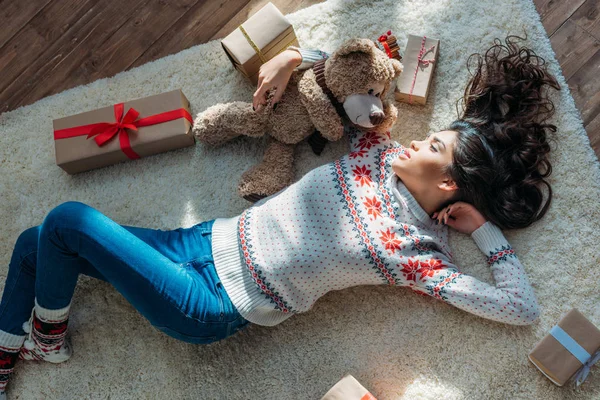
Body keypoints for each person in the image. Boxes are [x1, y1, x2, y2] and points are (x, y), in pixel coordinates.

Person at [0, 34, 559, 398]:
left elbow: (520, 308)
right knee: (35, 242)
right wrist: (293, 58)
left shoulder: (415, 256)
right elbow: (346, 72)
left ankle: (46, 337)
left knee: (69, 221)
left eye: (432, 145)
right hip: (197, 242)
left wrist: (484, 231)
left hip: (212, 305)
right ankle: (5, 356)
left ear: (446, 184)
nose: (416, 141)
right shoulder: (379, 151)